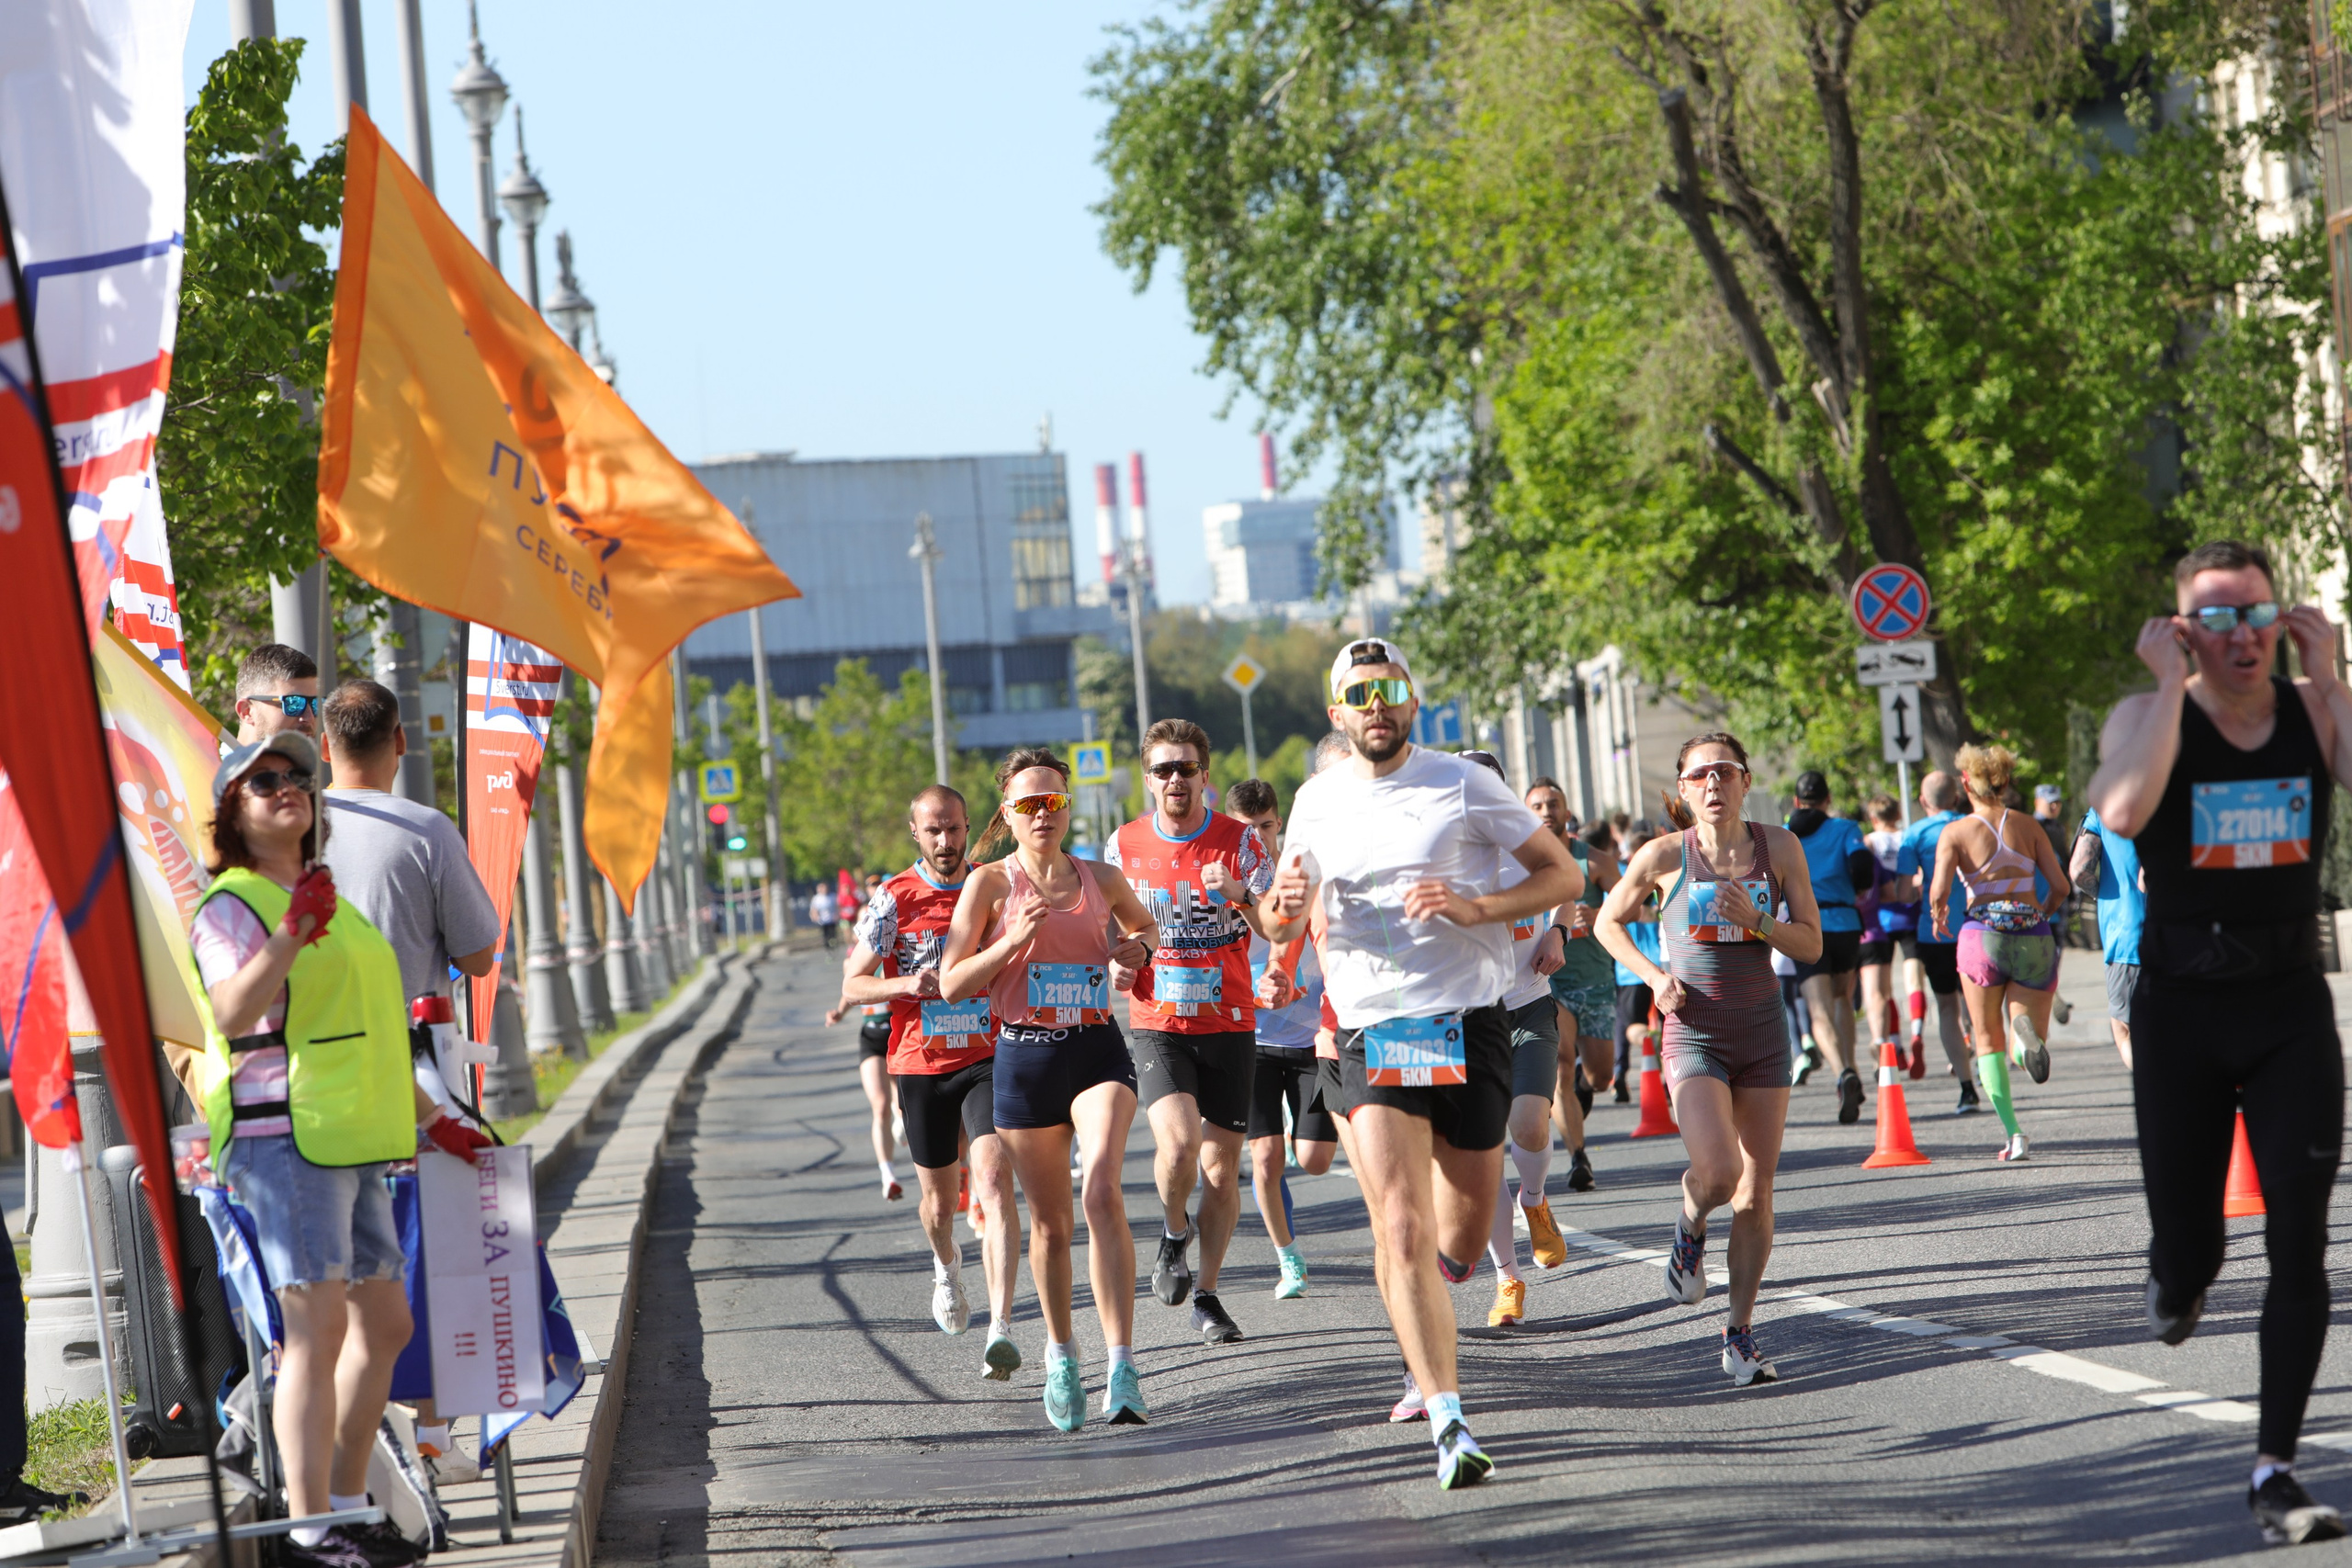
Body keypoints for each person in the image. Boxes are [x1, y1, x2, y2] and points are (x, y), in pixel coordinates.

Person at [1262, 637, 1579, 1489]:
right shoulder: (1316, 800)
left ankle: (1434, 1299)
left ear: (1412, 701)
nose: (1375, 705)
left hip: (1467, 1022)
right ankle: (1447, 1412)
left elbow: (1563, 874)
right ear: (1337, 713)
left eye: (1389, 689)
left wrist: (1476, 905)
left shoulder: (1464, 781)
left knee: (1463, 1237)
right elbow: (1282, 916)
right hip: (1370, 1028)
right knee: (1398, 1220)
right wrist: (1279, 916)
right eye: (1357, 694)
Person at [2087, 539, 2352, 1546]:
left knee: (2300, 1240)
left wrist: (2328, 677)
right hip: (2181, 1012)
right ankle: (2176, 1269)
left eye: (2255, 614)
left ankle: (2275, 1468)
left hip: (2288, 1006)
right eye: (2216, 618)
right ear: (2182, 629)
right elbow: (2119, 809)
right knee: (2191, 1248)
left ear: (2278, 619)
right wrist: (2165, 691)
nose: (2240, 636)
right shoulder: (2145, 715)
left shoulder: (2311, 706)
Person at [191, 733, 488, 1568]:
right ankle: (310, 1527)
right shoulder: (234, 903)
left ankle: (351, 1506)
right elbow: (231, 1012)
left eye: (296, 776)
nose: (287, 787)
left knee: (385, 1324)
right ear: (234, 815)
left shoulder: (328, 897)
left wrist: (436, 1119)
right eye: (263, 783)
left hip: (356, 1135)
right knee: (314, 1332)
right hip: (285, 1136)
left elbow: (376, 1031)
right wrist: (289, 933)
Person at [316, 680, 503, 1482]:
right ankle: (431, 1434)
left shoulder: (291, 829)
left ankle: (348, 1446)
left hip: (314, 1078)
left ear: (326, 745)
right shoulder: (425, 829)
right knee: (438, 1248)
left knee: (334, 1269)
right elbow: (477, 953)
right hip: (415, 1067)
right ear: (399, 741)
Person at [940, 749, 1159, 1431]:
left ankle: (1122, 1364)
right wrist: (1010, 944)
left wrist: (1137, 952)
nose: (1043, 814)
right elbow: (952, 982)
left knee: (1101, 1190)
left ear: (1068, 808)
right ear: (1007, 813)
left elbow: (1145, 928)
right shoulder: (989, 886)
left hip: (1095, 1047)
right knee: (1051, 1225)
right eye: (1029, 804)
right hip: (1024, 1056)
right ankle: (1063, 1352)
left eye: (1054, 802)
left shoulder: (1101, 877)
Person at [1596, 731, 1822, 1389]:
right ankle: (1689, 1223)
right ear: (1683, 790)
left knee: (1756, 1193)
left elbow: (1809, 943)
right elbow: (1609, 923)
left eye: (1725, 772)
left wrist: (1760, 923)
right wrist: (1652, 975)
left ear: (1746, 781)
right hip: (1692, 1029)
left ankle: (1739, 1333)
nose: (1714, 784)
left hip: (1761, 1033)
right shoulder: (1665, 854)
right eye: (1700, 775)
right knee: (1719, 1172)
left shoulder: (1780, 847)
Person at [842, 784, 1023, 1377]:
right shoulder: (893, 897)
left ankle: (1000, 1327)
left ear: (969, 827)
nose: (946, 842)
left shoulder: (993, 885)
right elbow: (853, 983)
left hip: (988, 1056)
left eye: (955, 829)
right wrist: (905, 986)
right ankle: (946, 1267)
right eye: (934, 831)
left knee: (993, 1179)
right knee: (940, 1204)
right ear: (915, 833)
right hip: (920, 1066)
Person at [1107, 718, 1274, 1347]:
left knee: (1221, 1171)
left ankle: (1206, 1291)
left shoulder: (1239, 841)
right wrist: (1118, 957)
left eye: (1186, 768)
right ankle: (1175, 1231)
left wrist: (1237, 894)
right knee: (1177, 1148)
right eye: (1163, 769)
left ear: (1206, 775)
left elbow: (1274, 927)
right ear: (1148, 780)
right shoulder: (1123, 843)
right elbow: (1104, 924)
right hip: (1159, 1022)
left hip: (1230, 1020)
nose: (1175, 778)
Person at [1458, 754, 1579, 1328]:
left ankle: (1534, 1200)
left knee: (1529, 1123)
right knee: (1482, 1161)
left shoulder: (1525, 840)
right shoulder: (1440, 852)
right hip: (1462, 1019)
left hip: (1527, 1000)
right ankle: (1508, 1279)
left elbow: (1570, 883)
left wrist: (1556, 928)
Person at [1928, 743, 2071, 1163]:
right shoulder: (2030, 826)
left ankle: (2015, 1135)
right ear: (2006, 782)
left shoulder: (1955, 832)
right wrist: (2038, 915)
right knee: (2025, 1031)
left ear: (1965, 784)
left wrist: (1939, 915)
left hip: (1981, 935)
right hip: (2032, 932)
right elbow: (2060, 887)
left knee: (1986, 1037)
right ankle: (2025, 1040)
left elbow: (1938, 890)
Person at [1225, 777, 1338, 1303]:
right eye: (1245, 831)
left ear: (1280, 828)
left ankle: (1302, 1129)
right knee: (1266, 1160)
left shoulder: (1299, 885)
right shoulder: (1225, 899)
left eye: (1266, 828)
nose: (1257, 840)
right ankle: (1288, 1259)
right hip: (1254, 1043)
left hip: (1314, 1039)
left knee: (1313, 1159)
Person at [1784, 771, 1873, 1124]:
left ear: (1795, 801)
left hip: (1807, 926)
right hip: (1845, 924)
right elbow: (1863, 866)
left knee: (1817, 1011)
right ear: (1828, 799)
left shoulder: (1786, 835)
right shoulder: (1846, 829)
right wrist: (1857, 889)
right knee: (1841, 1001)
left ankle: (1841, 1073)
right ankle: (1850, 1066)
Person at [1893, 771, 1979, 1113]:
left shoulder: (1913, 835)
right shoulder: (1973, 825)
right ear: (1956, 798)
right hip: (1977, 927)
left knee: (1947, 1007)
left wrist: (1920, 884)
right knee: (1980, 1004)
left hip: (1935, 932)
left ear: (1924, 801)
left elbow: (1901, 894)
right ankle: (1992, 1070)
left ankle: (1967, 1088)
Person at [2070, 804, 2142, 1068]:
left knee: (2125, 1029)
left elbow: (2078, 869)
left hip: (2125, 935)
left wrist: (2105, 896)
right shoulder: (2176, 796)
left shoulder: (2103, 809)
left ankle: (2156, 1091)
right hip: (2179, 933)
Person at [1610, 822, 1666, 1102]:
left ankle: (1649, 1040)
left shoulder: (1622, 878)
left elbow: (1611, 917)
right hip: (1665, 963)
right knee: (1671, 1027)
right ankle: (1669, 1078)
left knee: (1631, 1026)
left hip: (1631, 968)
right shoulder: (1665, 871)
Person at [1856, 795, 1906, 1080]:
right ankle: (1886, 1043)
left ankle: (1848, 1066)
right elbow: (1892, 891)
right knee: (1882, 994)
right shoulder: (1900, 842)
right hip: (1886, 928)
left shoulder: (1867, 845)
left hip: (1856, 927)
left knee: (1844, 999)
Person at [233, 643, 322, 746]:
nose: (309, 717)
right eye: (293, 703)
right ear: (246, 711)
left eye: (316, 704)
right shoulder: (213, 761)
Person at [808, 882, 840, 951]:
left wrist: (837, 915)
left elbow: (837, 906)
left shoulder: (832, 896)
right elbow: (814, 909)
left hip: (832, 919)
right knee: (825, 934)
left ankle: (833, 945)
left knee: (832, 933)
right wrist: (815, 917)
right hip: (822, 920)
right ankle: (828, 947)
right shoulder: (816, 898)